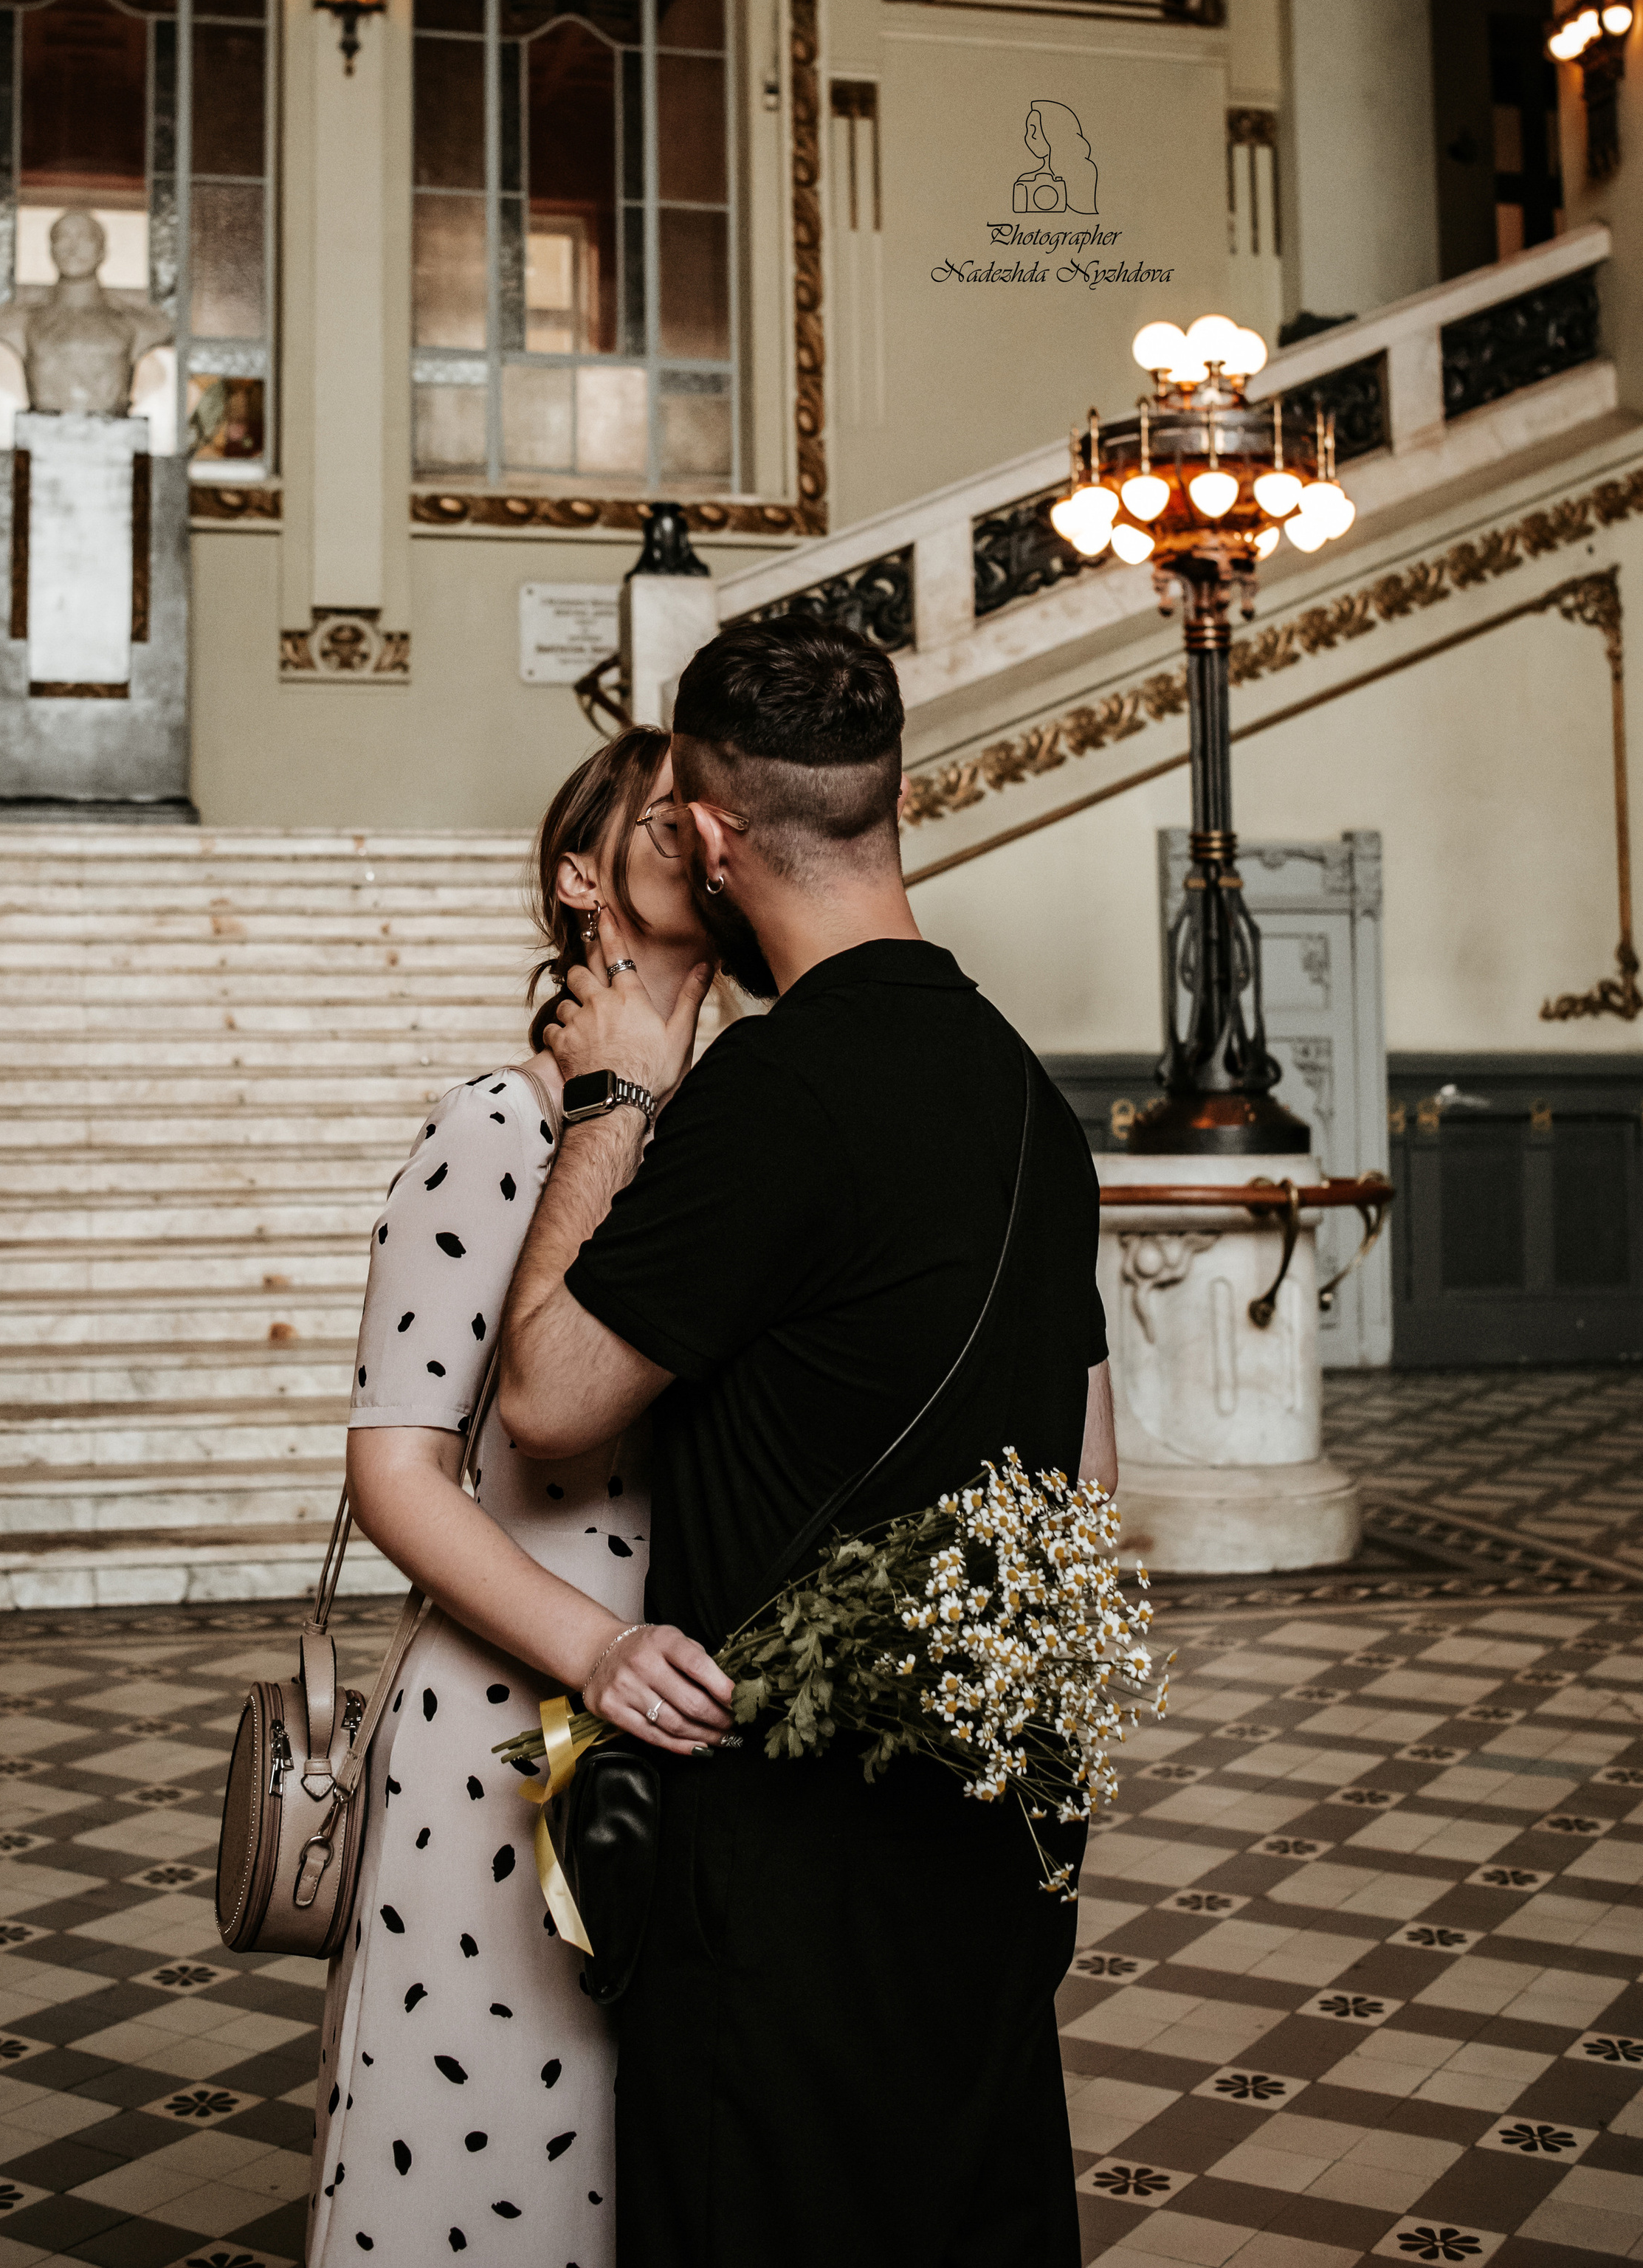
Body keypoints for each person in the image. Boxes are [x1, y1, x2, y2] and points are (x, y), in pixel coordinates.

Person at [499, 612, 1115, 2268]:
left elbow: (548, 1400)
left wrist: (615, 1103)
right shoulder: (1023, 1097)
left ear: (705, 840)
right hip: (987, 1834)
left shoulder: (772, 1093)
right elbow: (1091, 1470)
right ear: (887, 798)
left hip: (779, 1865)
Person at [306, 725, 731, 2268]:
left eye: (711, 808)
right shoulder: (499, 1123)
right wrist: (595, 1652)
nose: (694, 825)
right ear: (576, 878)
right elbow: (394, 1471)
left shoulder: (739, 1138)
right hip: (504, 1743)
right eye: (653, 812)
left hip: (691, 1727)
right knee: (491, 2204)